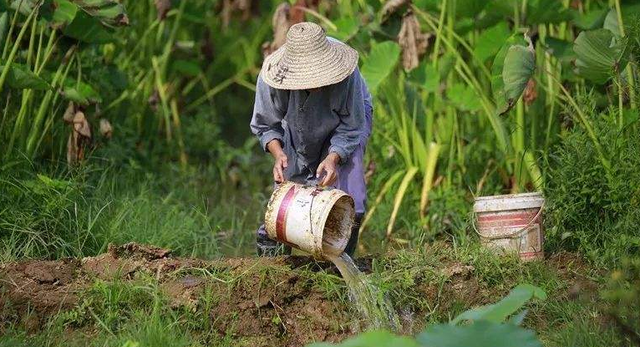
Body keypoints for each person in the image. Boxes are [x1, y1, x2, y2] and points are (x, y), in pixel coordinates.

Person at [250, 22, 373, 257]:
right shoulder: (273, 76)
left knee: (349, 192)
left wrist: (333, 158)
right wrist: (278, 154)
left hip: (349, 122)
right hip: (296, 121)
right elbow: (265, 125)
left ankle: (337, 262)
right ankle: (274, 266)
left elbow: (351, 127)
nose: (315, 84)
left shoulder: (346, 75)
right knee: (289, 192)